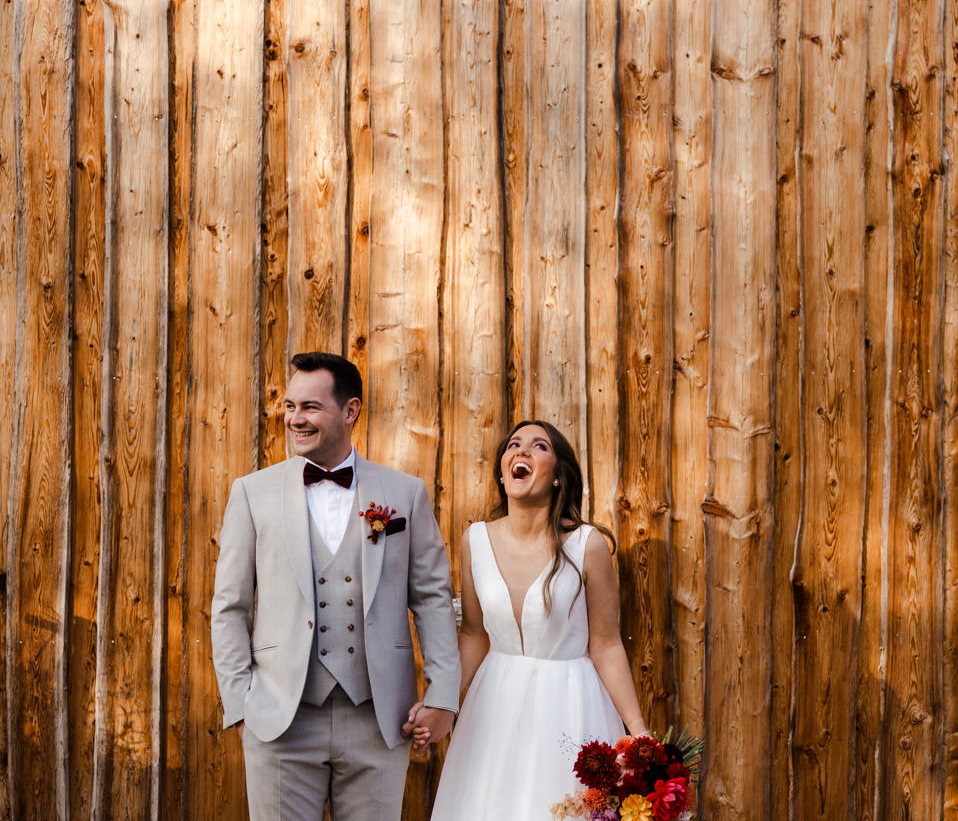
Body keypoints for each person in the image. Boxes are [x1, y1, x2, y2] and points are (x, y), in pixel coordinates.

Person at [209, 352, 461, 821]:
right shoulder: (251, 492)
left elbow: (431, 598)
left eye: (309, 407)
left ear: (350, 411)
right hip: (280, 718)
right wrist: (241, 702)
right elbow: (230, 608)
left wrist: (443, 693)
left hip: (378, 718)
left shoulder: (404, 493)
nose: (294, 419)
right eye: (289, 406)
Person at [422, 419, 648, 820]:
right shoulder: (475, 540)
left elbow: (606, 644)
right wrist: (442, 705)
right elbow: (474, 635)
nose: (521, 451)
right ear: (503, 469)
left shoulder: (587, 545)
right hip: (494, 704)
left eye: (539, 446)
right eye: (514, 445)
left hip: (569, 703)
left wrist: (638, 732)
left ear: (559, 476)